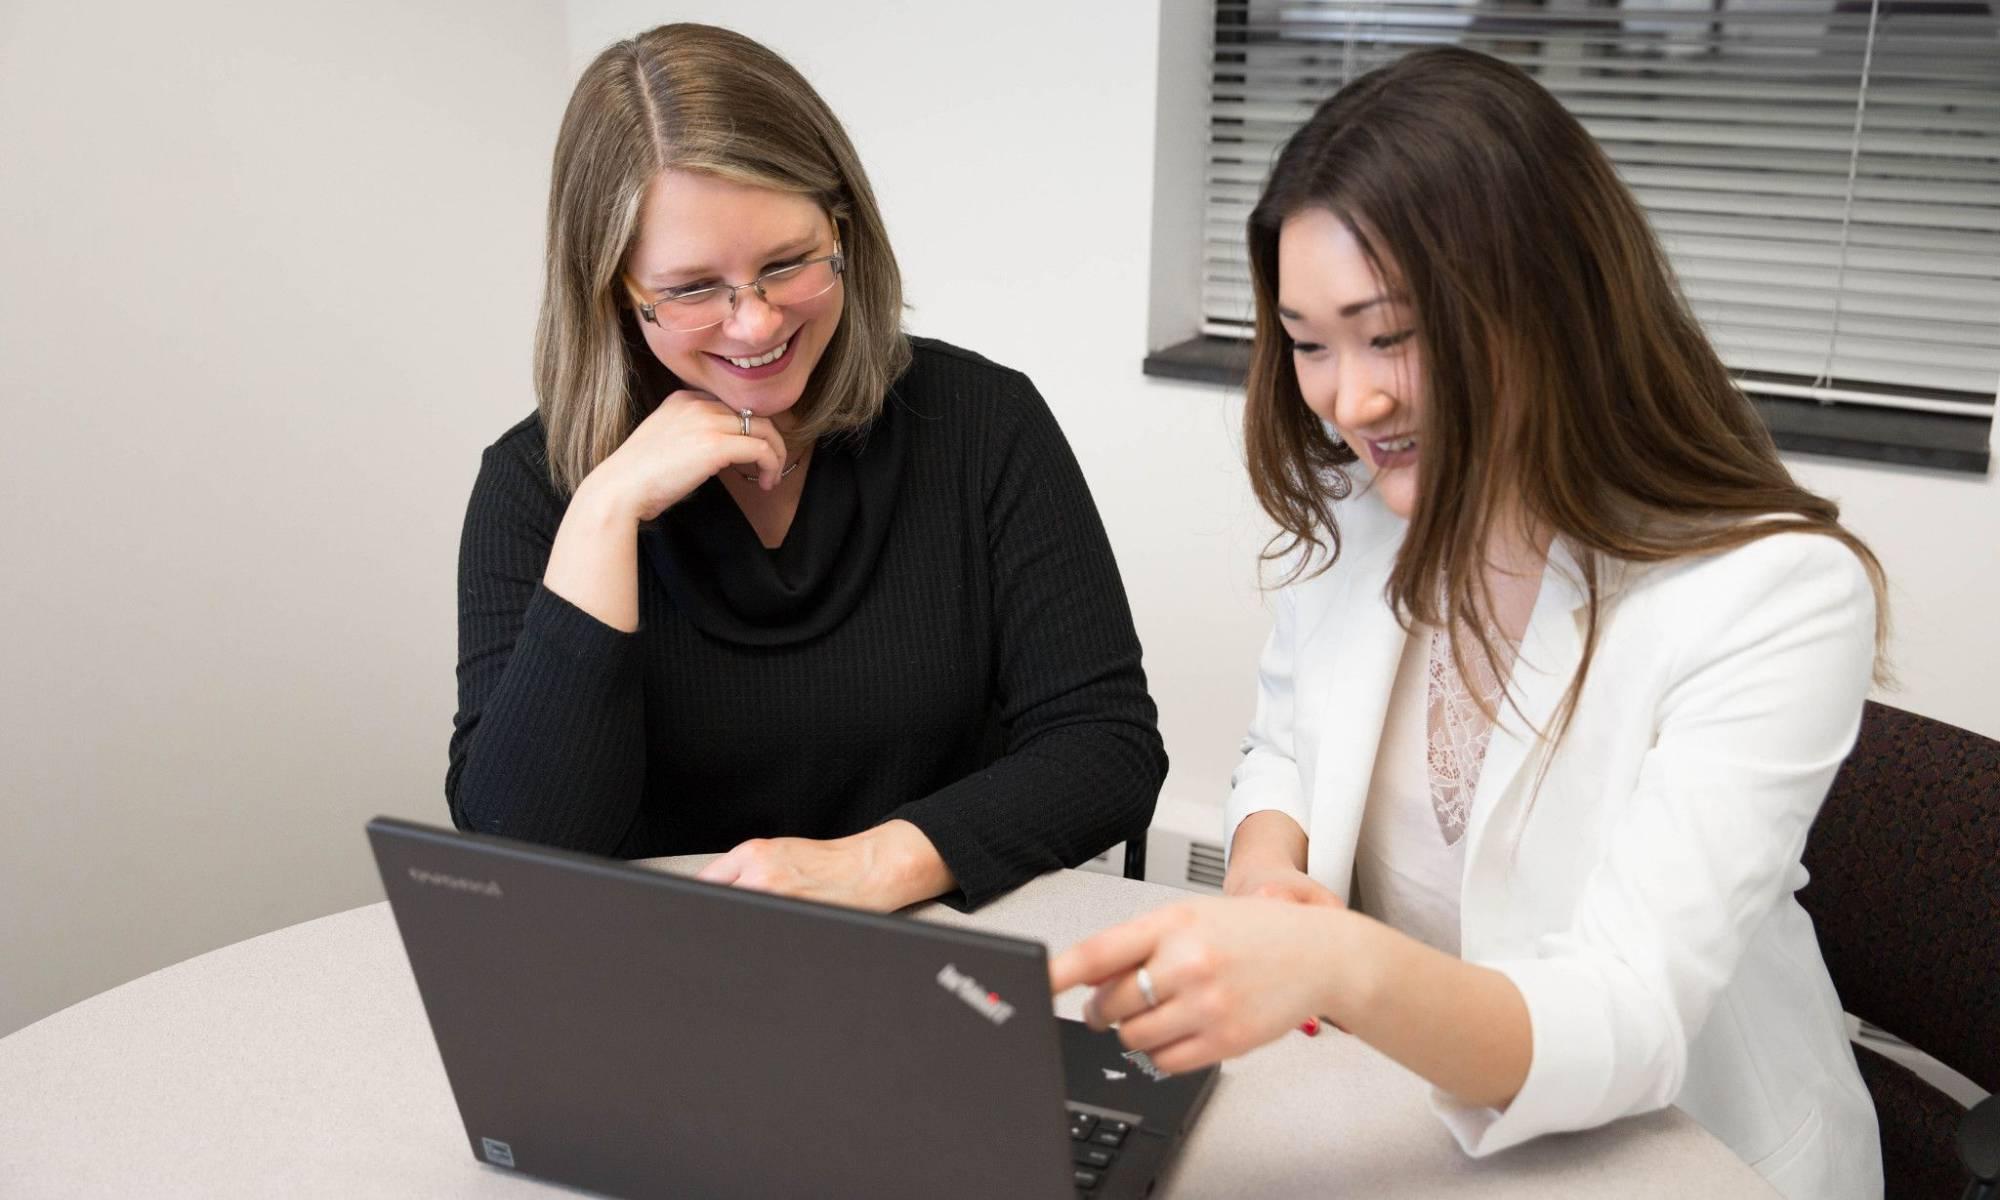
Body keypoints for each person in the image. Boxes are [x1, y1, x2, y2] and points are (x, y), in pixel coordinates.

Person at [1051, 47, 1886, 1200]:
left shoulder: (1770, 592)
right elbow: (1283, 750)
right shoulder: (1362, 516)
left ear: (1549, 303)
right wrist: (1263, 877)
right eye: (1306, 342)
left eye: (1389, 333)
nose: (1350, 401)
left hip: (1685, 1154)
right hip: (1409, 1117)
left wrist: (1330, 963)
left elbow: (1629, 1012)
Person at [446, 23, 1165, 912]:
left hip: (938, 955)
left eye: (787, 265)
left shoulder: (983, 422)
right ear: (613, 295)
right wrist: (603, 515)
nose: (754, 325)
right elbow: (516, 857)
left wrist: (878, 863)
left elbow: (1108, 747)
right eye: (692, 290)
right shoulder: (534, 485)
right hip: (658, 977)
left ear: (844, 232)